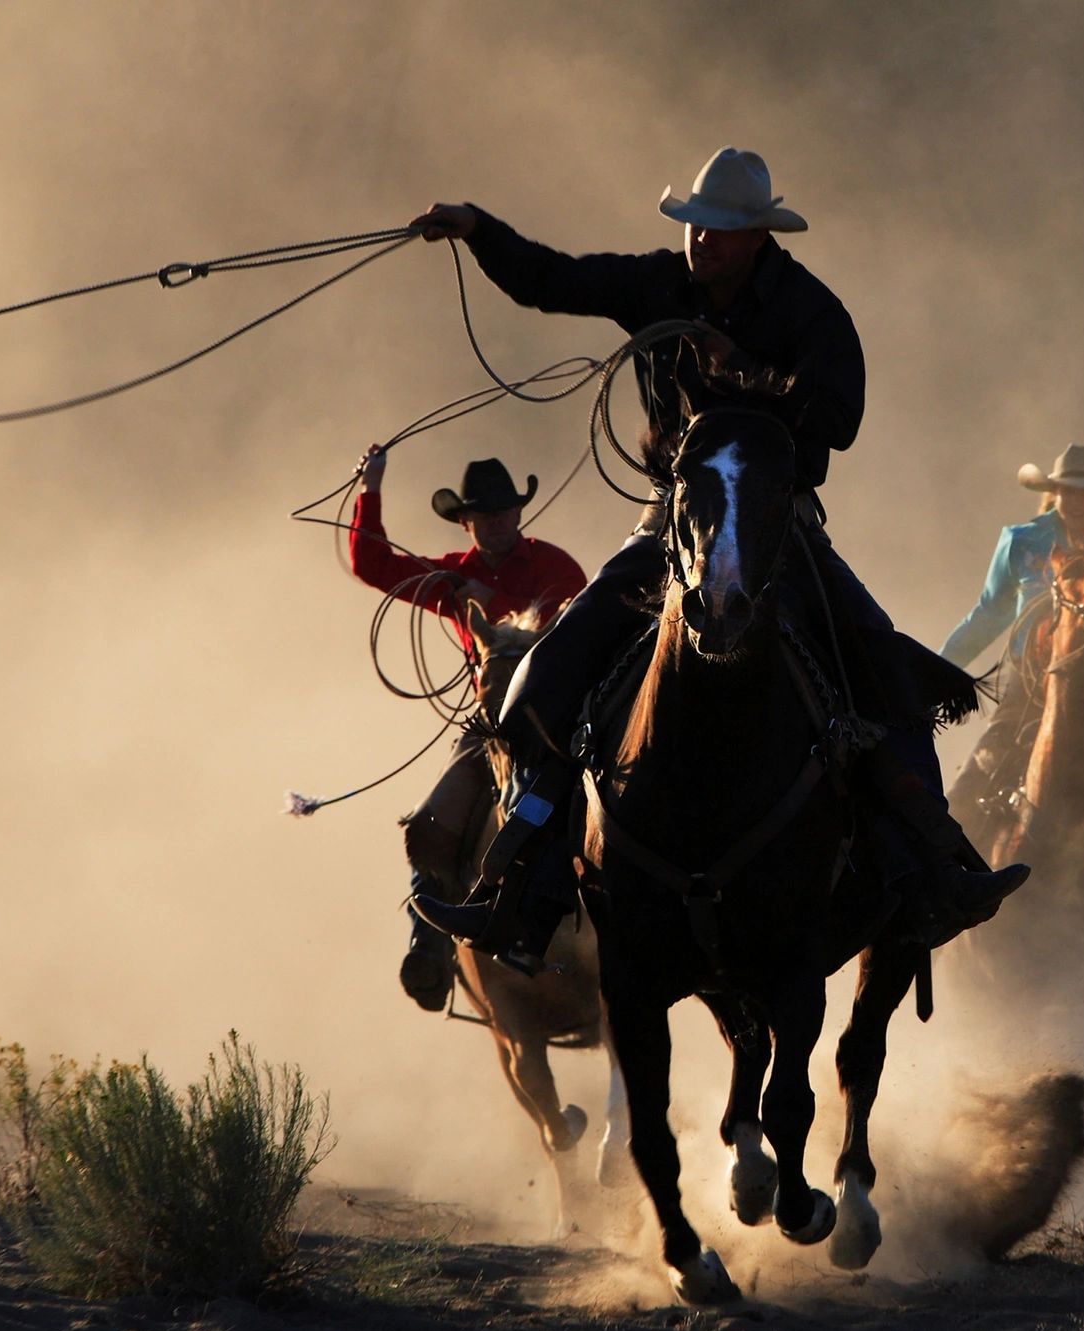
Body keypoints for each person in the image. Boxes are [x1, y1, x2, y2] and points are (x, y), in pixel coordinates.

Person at [408, 147, 1028, 971]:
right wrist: (479, 230)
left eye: (721, 231)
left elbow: (838, 417)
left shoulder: (809, 309)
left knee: (881, 666)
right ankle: (521, 884)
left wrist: (753, 376)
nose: (702, 242)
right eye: (697, 226)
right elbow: (551, 280)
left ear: (757, 238)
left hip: (781, 528)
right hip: (669, 522)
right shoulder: (658, 285)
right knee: (548, 674)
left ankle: (934, 866)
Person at [347, 446, 587, 1010]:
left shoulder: (556, 568)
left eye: (505, 514)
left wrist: (492, 602)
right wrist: (371, 489)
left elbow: (577, 627)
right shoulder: (453, 575)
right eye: (486, 517)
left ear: (519, 515)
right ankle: (428, 947)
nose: (499, 524)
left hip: (561, 717)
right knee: (436, 822)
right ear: (467, 522)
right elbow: (374, 566)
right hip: (488, 726)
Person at [940, 443, 1084, 818]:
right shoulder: (1021, 542)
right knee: (962, 803)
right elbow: (989, 614)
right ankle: (953, 872)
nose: (1077, 500)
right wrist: (936, 669)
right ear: (1054, 492)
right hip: (1025, 692)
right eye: (1068, 490)